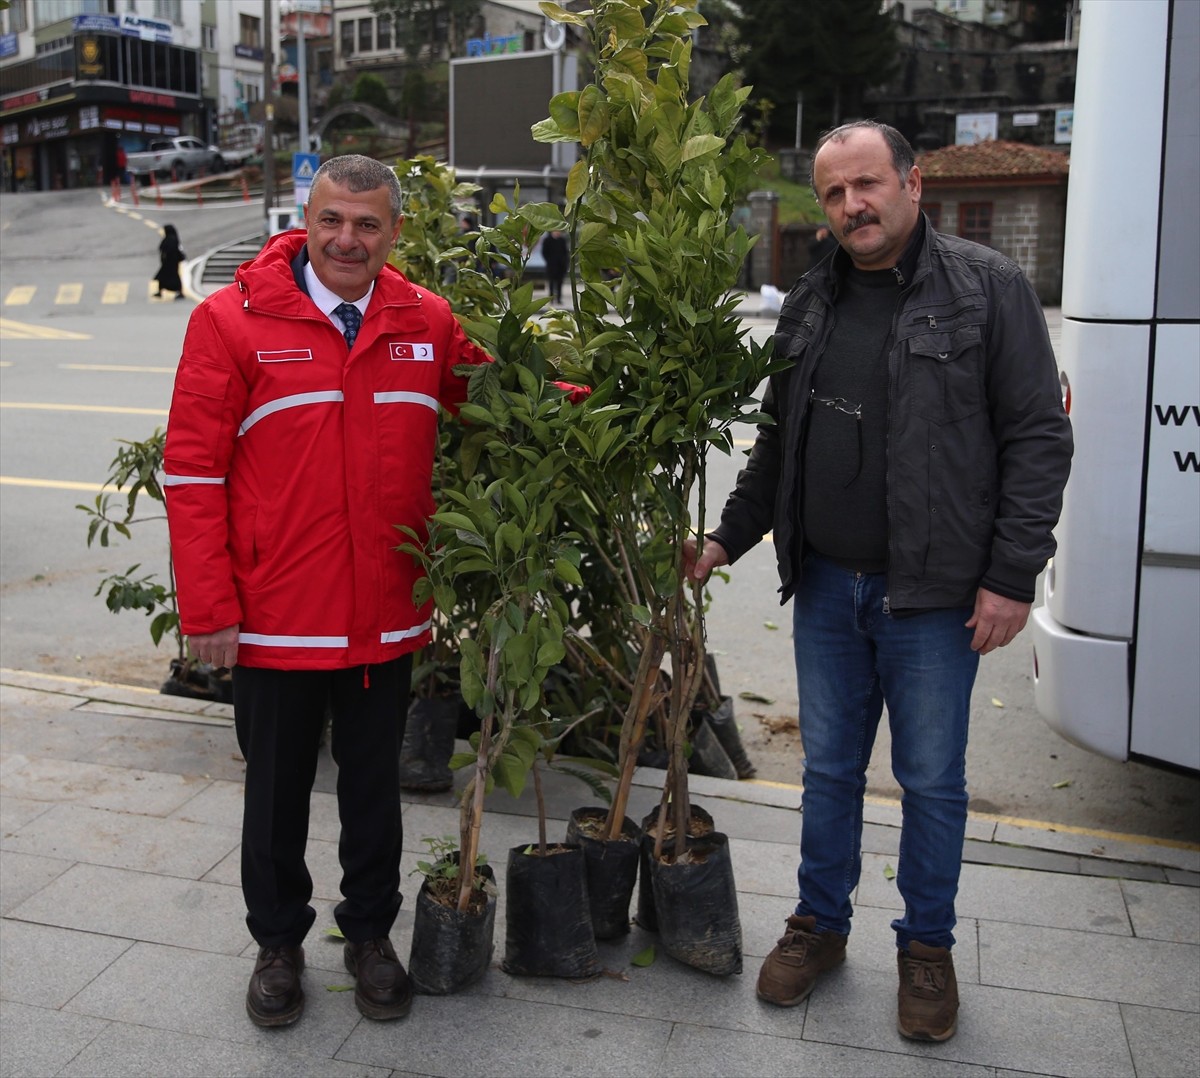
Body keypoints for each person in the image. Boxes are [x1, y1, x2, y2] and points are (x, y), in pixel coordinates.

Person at [685, 121, 1072, 1043]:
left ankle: (926, 949)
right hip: (826, 585)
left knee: (931, 781)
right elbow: (779, 442)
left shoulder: (990, 289)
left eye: (867, 185)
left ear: (912, 183)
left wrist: (1011, 576)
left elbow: (1037, 438)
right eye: (834, 193)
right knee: (827, 772)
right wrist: (726, 538)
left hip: (934, 596)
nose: (852, 206)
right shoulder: (811, 299)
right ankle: (819, 926)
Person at [162, 154, 492, 1028]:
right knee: (274, 796)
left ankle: (370, 936)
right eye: (332, 221)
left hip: (383, 615)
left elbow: (502, 401)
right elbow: (191, 471)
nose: (348, 239)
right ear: (305, 222)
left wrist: (605, 406)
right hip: (276, 618)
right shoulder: (230, 322)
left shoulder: (426, 319)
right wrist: (210, 610)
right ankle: (277, 945)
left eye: (368, 224)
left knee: (374, 790)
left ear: (394, 231)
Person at [153, 224, 185, 300]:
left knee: (172, 277)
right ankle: (160, 291)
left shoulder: (171, 239)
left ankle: (179, 292)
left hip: (170, 262)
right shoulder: (171, 238)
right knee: (163, 276)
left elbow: (169, 250)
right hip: (169, 262)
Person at [540, 228, 569, 304]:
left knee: (560, 283)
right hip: (551, 266)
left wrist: (564, 262)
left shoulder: (562, 240)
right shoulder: (547, 240)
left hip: (561, 266)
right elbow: (544, 252)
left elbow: (565, 252)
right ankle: (551, 298)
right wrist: (549, 260)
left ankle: (559, 299)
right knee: (551, 283)